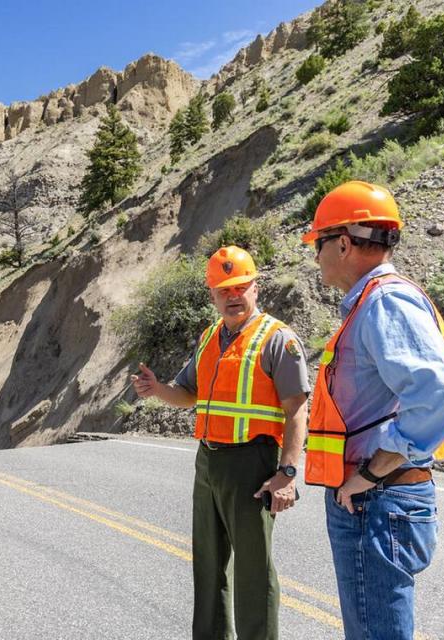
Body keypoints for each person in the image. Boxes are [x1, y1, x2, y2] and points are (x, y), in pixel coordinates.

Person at [301, 181, 444, 640]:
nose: (316, 256)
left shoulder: (384, 301)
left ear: (343, 242)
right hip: (376, 498)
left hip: (377, 499)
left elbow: (442, 394)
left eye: (319, 243)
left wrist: (373, 472)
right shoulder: (376, 301)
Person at [131, 245, 310, 640]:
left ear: (256, 288)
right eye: (224, 289)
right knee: (208, 565)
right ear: (212, 294)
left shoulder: (277, 339)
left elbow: (297, 409)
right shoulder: (210, 337)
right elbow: (187, 393)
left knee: (253, 569)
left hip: (252, 463)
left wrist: (288, 473)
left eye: (241, 287)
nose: (233, 296)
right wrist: (157, 389)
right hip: (208, 462)